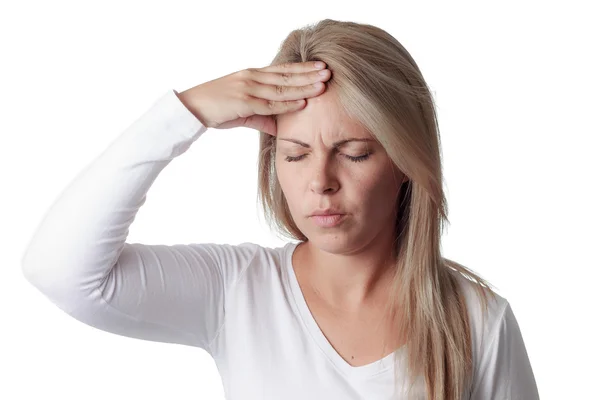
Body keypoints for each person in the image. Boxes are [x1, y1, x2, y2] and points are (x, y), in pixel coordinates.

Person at [20, 18, 539, 400]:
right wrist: (187, 114)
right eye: (295, 154)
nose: (320, 183)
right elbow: (59, 270)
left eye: (354, 153)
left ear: (405, 159)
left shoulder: (477, 321)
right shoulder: (236, 289)